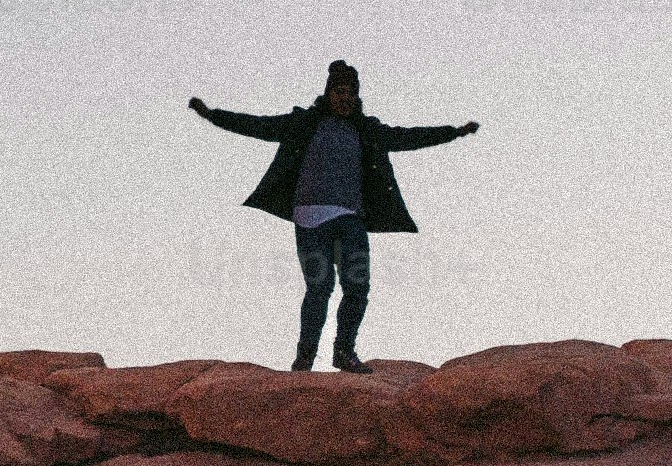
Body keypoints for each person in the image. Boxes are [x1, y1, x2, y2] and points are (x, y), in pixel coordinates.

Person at [185, 57, 478, 372]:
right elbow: (259, 125)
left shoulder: (367, 130)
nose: (344, 98)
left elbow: (407, 137)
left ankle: (344, 352)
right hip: (310, 218)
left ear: (356, 97)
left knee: (358, 286)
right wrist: (211, 115)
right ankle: (305, 358)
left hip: (350, 218)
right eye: (338, 92)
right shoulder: (304, 123)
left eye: (349, 93)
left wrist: (454, 132)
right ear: (328, 94)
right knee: (320, 287)